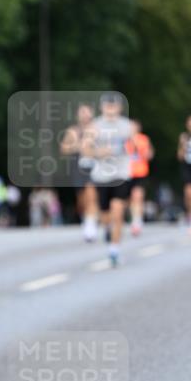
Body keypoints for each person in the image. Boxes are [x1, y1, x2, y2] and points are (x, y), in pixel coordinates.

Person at [84, 93, 132, 266]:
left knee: (117, 211)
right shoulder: (94, 126)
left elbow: (136, 148)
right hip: (101, 175)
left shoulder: (127, 126)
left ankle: (114, 250)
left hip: (121, 174)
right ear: (102, 107)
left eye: (114, 106)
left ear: (120, 108)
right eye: (107, 105)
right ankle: (107, 229)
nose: (111, 109)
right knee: (105, 214)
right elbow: (86, 149)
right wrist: (98, 152)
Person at [60, 103, 99, 241]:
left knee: (91, 194)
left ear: (92, 114)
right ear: (78, 115)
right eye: (82, 112)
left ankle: (91, 225)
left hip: (94, 167)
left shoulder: (97, 129)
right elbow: (63, 149)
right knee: (81, 200)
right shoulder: (73, 131)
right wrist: (77, 146)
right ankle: (87, 219)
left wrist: (92, 150)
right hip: (77, 167)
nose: (85, 115)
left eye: (87, 112)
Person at [126, 120, 154, 236]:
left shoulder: (144, 139)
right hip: (126, 173)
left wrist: (141, 150)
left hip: (140, 172)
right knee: (129, 199)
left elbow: (149, 154)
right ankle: (133, 218)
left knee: (137, 196)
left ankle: (137, 222)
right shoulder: (124, 139)